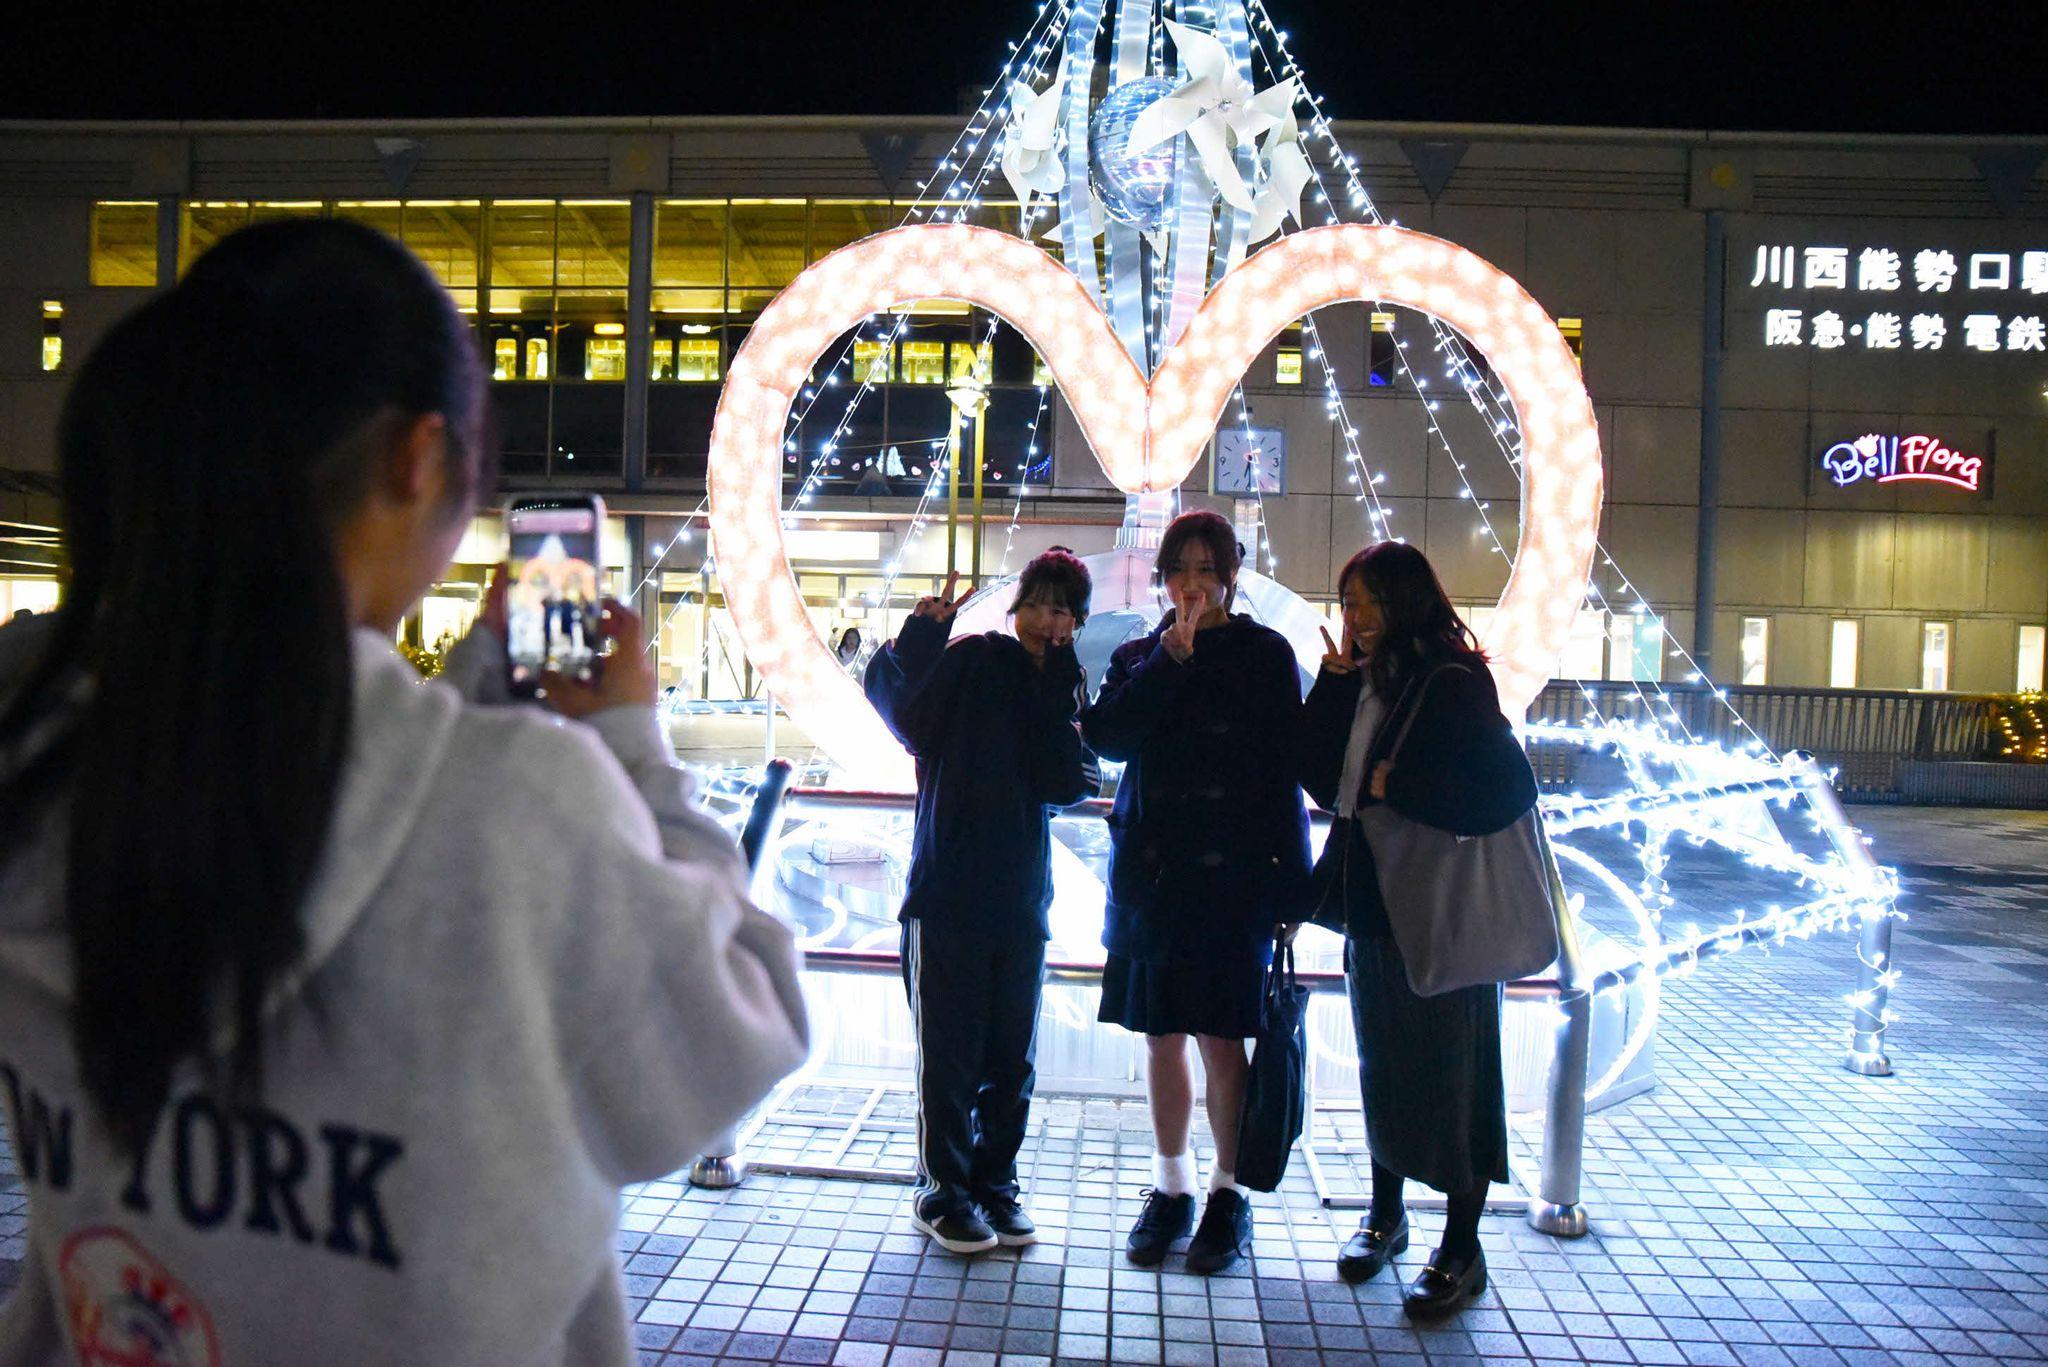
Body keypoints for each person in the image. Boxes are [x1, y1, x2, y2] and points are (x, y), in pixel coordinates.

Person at [0, 219, 808, 1366]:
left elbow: (329, 765)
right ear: (417, 458)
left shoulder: (38, 760)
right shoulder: (526, 805)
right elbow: (736, 1035)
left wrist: (478, 689)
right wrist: (630, 742)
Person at [1298, 541, 1539, 1319]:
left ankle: (1462, 1248)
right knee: (1385, 1064)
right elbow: (1319, 777)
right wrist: (1333, 689)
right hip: (1375, 906)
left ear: (1408, 600)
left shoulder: (1452, 679)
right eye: (1349, 602)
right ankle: (1386, 1213)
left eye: (1369, 601)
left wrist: (1401, 783)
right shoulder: (1366, 679)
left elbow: (1506, 787)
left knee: (1454, 1078)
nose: (1357, 617)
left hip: (1440, 913)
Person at [1079, 510, 1309, 1275]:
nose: (1193, 583)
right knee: (1161, 1033)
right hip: (1152, 876)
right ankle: (1171, 1182)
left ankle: (1226, 1191)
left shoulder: (1265, 653)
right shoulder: (1142, 653)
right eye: (1181, 568)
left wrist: (1291, 884)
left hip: (1233, 878)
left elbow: (1284, 771)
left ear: (1232, 577)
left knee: (1223, 1038)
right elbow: (1107, 738)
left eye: (1208, 569)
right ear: (1164, 578)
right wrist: (1165, 663)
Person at [863, 553, 1098, 1254]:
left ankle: (997, 1185)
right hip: (949, 891)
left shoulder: (1062, 684)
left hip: (1021, 897)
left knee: (1011, 1056)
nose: (1051, 620)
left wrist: (1057, 688)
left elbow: (1066, 780)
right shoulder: (973, 657)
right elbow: (904, 714)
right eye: (1041, 603)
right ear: (1017, 606)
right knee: (950, 1055)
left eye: (1065, 610)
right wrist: (920, 638)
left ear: (1076, 623)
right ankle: (945, 1190)